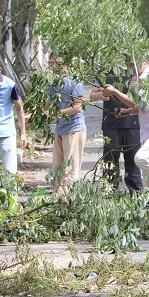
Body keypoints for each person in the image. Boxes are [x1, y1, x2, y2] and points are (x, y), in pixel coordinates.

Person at [99, 59, 149, 206]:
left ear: (143, 60)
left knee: (141, 158)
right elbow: (140, 107)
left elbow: (137, 102)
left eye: (133, 64)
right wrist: (127, 112)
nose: (132, 68)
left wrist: (115, 91)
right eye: (129, 65)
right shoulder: (139, 79)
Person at [90, 74, 144, 194]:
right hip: (111, 123)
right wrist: (99, 95)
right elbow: (92, 95)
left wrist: (137, 85)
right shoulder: (104, 71)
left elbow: (145, 94)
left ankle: (136, 193)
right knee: (110, 161)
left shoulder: (135, 70)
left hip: (133, 123)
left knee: (133, 161)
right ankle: (109, 192)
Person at [46, 64, 86, 197]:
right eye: (51, 61)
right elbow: (47, 104)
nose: (53, 65)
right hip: (60, 129)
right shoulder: (53, 82)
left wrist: (56, 113)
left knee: (70, 169)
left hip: (74, 129)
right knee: (57, 167)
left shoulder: (75, 81)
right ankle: (58, 198)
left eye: (57, 62)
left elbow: (78, 107)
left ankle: (68, 201)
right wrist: (34, 115)